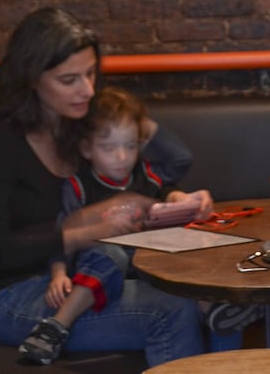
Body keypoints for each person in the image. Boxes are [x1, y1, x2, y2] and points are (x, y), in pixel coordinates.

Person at [0, 7, 209, 367]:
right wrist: (91, 232)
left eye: (92, 74)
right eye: (70, 80)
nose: (88, 90)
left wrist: (180, 199)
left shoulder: (79, 126)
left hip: (90, 277)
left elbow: (169, 164)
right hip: (12, 296)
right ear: (31, 77)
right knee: (170, 308)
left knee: (202, 295)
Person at [20, 86, 254, 364]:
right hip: (101, 267)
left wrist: (176, 199)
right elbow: (62, 235)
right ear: (86, 148)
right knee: (111, 254)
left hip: (148, 262)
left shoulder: (145, 174)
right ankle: (56, 325)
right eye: (109, 147)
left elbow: (179, 163)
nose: (121, 157)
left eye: (130, 145)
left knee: (205, 277)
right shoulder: (79, 186)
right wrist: (58, 274)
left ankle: (217, 324)